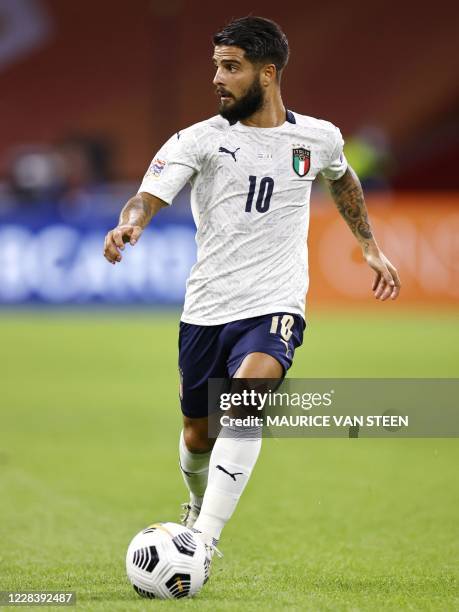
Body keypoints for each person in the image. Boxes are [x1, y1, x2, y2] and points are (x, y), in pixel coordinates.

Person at [103, 16, 401, 566]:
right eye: (216, 65)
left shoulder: (317, 137)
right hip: (208, 308)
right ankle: (196, 509)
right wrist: (132, 223)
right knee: (197, 433)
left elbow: (342, 176)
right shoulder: (198, 140)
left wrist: (369, 245)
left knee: (246, 400)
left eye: (231, 67)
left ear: (268, 74)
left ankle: (205, 540)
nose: (217, 77)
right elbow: (147, 195)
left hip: (276, 302)